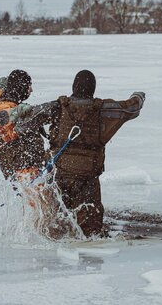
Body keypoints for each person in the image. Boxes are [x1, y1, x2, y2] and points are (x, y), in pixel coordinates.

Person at [15, 70, 145, 237]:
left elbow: (22, 126)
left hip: (58, 176)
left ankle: (56, 248)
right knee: (90, 230)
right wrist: (139, 96)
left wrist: (23, 113)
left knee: (56, 223)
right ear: (93, 89)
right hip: (87, 179)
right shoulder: (103, 109)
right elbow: (132, 108)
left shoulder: (57, 107)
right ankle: (87, 254)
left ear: (74, 87)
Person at [0, 69, 47, 181]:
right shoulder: (2, 108)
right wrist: (18, 111)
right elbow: (2, 117)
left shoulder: (1, 98)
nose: (31, 90)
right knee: (37, 198)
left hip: (26, 165)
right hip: (23, 170)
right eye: (29, 86)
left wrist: (2, 84)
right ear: (21, 87)